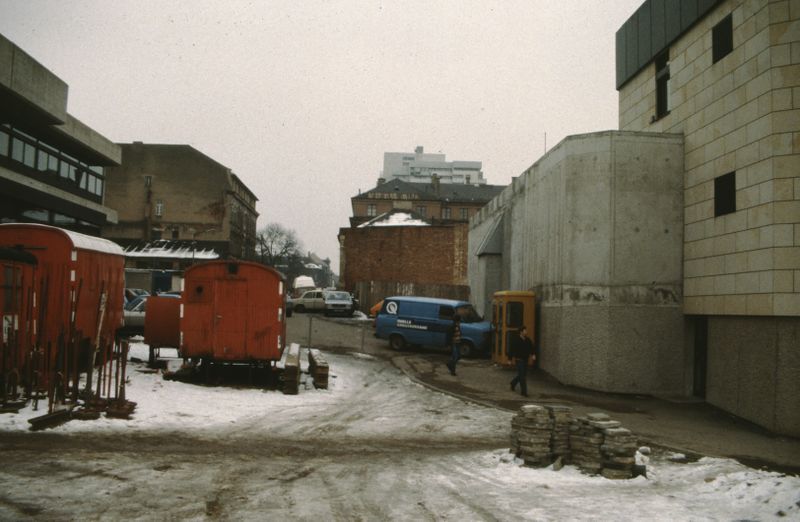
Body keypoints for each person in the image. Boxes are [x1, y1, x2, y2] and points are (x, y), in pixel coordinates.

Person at [510, 325, 534, 397]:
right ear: (521, 332)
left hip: (525, 359)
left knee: (522, 375)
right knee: (522, 376)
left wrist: (533, 354)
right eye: (525, 330)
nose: (526, 332)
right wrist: (509, 359)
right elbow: (512, 349)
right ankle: (524, 392)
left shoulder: (527, 340)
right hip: (519, 359)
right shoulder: (516, 340)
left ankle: (513, 383)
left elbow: (531, 348)